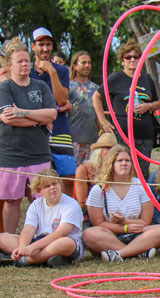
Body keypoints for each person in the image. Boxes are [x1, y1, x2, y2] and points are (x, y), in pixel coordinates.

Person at [0, 39, 57, 233]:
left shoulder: (41, 86)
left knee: (41, 198)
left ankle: (43, 237)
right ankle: (8, 241)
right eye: (19, 61)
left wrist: (22, 112)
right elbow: (8, 118)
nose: (24, 64)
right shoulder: (4, 88)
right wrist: (37, 119)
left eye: (26, 60)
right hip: (11, 155)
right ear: (10, 66)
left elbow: (52, 114)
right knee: (11, 199)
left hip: (38, 153)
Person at [83, 145, 160, 261]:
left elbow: (145, 221)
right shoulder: (98, 189)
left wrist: (125, 222)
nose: (124, 164)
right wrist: (124, 228)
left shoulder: (141, 186)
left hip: (137, 233)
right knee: (89, 233)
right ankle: (137, 252)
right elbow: (98, 223)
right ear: (111, 163)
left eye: (127, 161)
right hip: (111, 234)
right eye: (119, 161)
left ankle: (119, 254)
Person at [0, 169, 83, 267]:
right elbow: (28, 229)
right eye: (47, 186)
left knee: (65, 243)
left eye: (55, 184)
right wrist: (22, 247)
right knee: (3, 237)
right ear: (39, 191)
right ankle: (48, 259)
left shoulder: (71, 204)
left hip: (63, 241)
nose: (52, 188)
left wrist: (32, 248)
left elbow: (60, 233)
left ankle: (26, 260)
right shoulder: (36, 204)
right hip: (39, 242)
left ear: (60, 185)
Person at [106, 40, 160, 179]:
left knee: (142, 173)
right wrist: (103, 122)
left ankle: (141, 199)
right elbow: (96, 97)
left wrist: (148, 106)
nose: (132, 60)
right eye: (128, 57)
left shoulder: (146, 79)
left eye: (136, 57)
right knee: (122, 170)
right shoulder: (115, 78)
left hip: (145, 135)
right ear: (122, 60)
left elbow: (158, 102)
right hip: (123, 135)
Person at [29, 28, 75, 193]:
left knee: (69, 178)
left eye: (48, 44)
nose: (45, 49)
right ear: (33, 46)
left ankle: (68, 214)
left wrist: (52, 71)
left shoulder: (61, 70)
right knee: (38, 181)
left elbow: (62, 99)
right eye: (41, 44)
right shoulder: (26, 71)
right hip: (34, 132)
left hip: (60, 130)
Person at [68, 51, 102, 164]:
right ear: (74, 66)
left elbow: (98, 115)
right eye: (83, 63)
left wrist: (103, 134)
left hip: (92, 141)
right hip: (72, 141)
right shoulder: (68, 87)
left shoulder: (96, 89)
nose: (87, 65)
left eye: (89, 63)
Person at [74, 132, 118, 214]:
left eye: (113, 149)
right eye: (107, 148)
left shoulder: (118, 171)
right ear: (99, 151)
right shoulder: (83, 170)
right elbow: (82, 202)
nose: (111, 152)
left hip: (115, 212)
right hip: (88, 214)